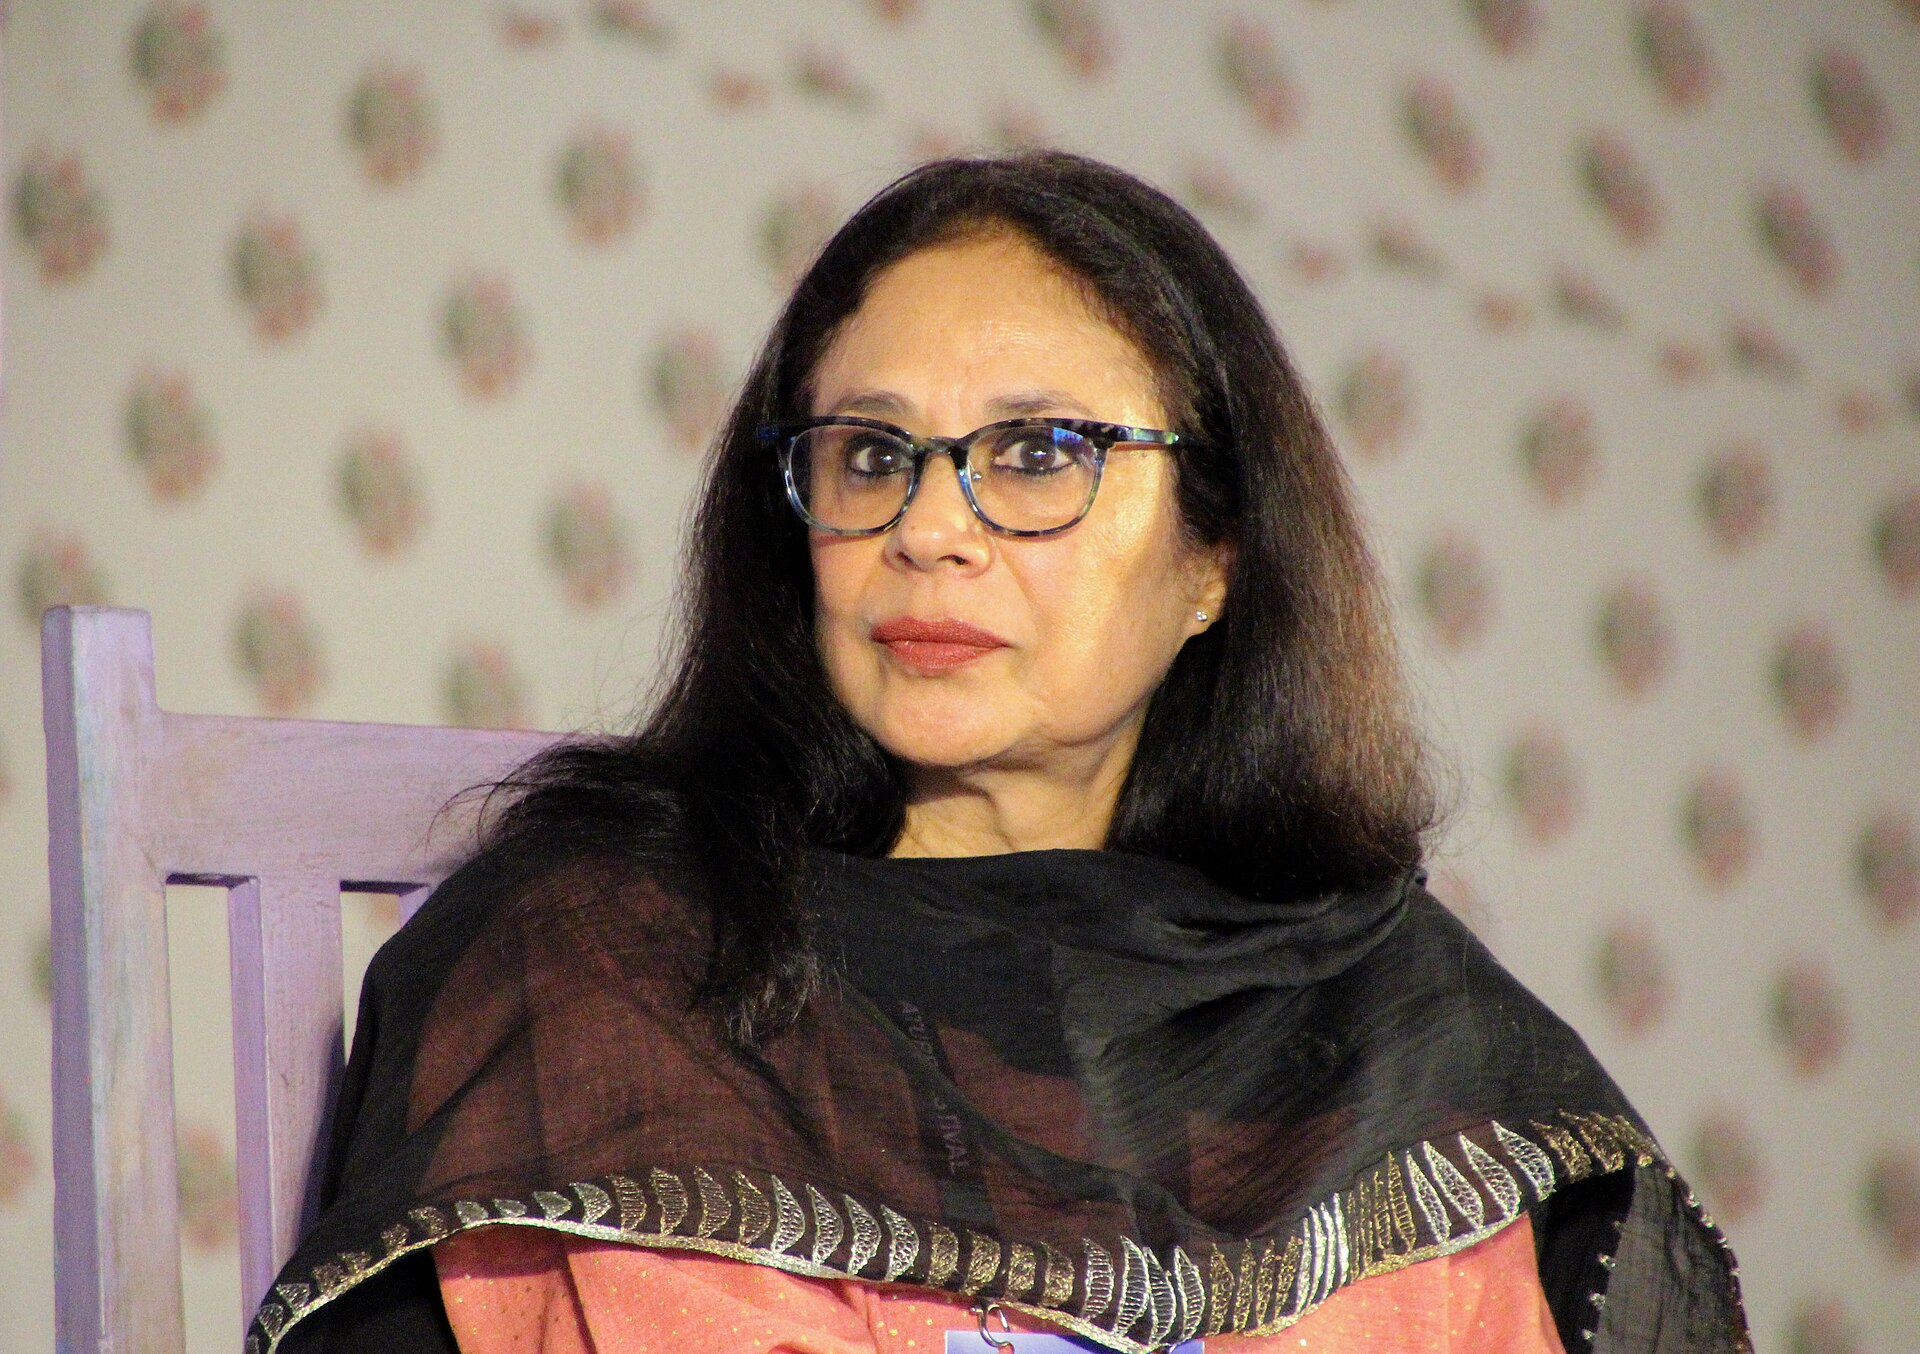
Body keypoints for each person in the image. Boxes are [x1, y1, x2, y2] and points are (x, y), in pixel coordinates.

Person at [253, 152, 1749, 1353]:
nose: (931, 527)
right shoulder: (601, 956)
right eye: (871, 453)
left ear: (1217, 556)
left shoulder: (1387, 1007)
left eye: (1038, 452)